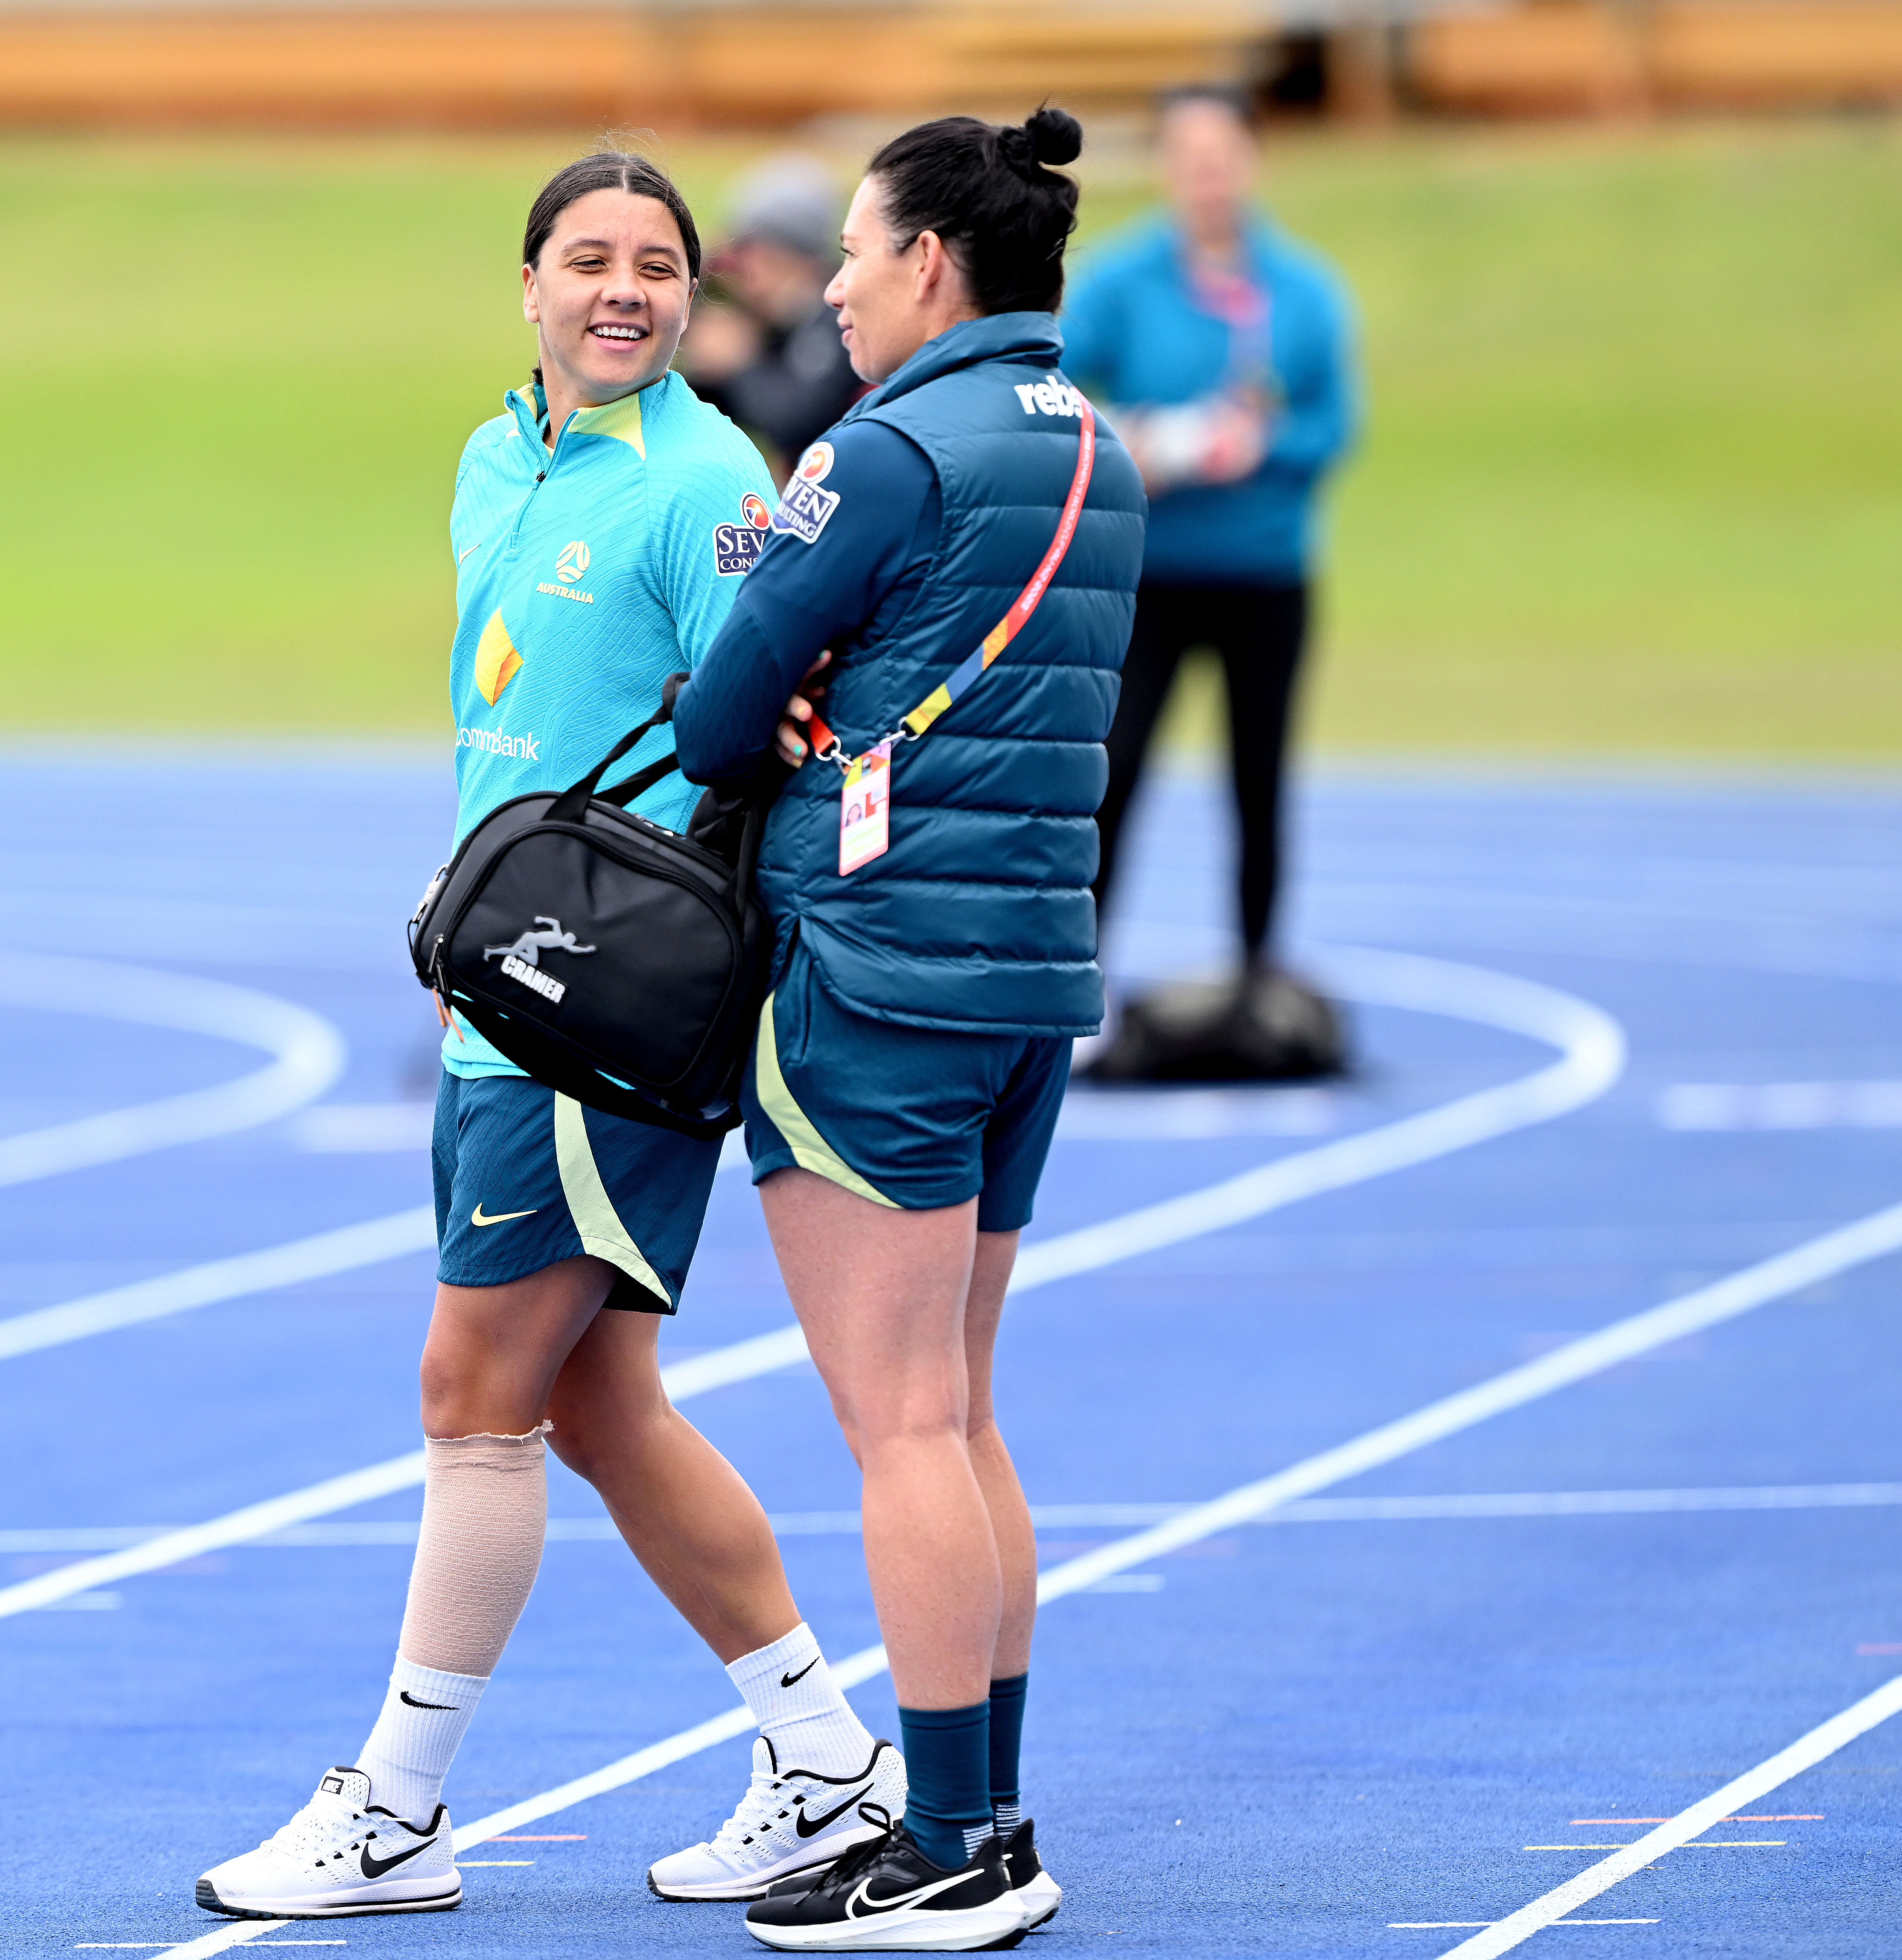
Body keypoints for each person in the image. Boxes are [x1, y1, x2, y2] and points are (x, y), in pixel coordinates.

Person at [194, 150, 902, 1924]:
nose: (624, 288)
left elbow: (769, 717)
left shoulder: (705, 477)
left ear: (689, 296)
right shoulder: (491, 455)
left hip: (606, 1006)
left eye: (656, 265)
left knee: (471, 1392)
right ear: (527, 285)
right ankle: (826, 1755)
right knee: (597, 1404)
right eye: (588, 258)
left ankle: (401, 1803)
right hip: (504, 986)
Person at [671, 107, 1146, 1951]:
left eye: (855, 254)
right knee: (956, 1414)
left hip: (872, 975)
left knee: (896, 1431)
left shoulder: (875, 447)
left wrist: (767, 651)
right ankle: (984, 1810)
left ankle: (953, 1844)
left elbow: (721, 717)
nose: (838, 287)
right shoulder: (1094, 446)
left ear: (924, 265)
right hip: (1027, 975)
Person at [1063, 84, 1359, 1064]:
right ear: (1165, 167)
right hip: (1149, 575)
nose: (1207, 175)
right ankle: (1073, 986)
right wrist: (1143, 440)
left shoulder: (1303, 290)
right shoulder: (1122, 278)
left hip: (1266, 576)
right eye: (1188, 156)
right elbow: (1058, 388)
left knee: (1259, 784)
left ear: (1253, 161)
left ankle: (1260, 977)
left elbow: (1330, 425)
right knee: (1115, 772)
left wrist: (1254, 444)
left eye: (1223, 154)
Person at [679, 152, 871, 478]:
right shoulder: (776, 319)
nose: (744, 269)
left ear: (795, 256)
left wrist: (738, 363)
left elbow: (795, 419)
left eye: (755, 252)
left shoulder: (839, 317)